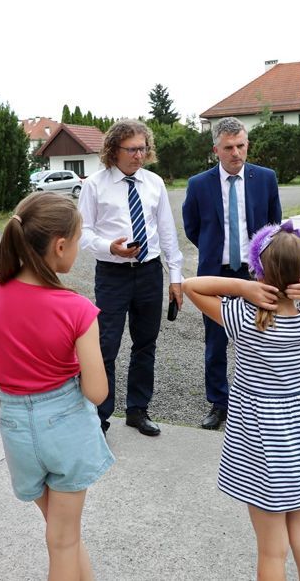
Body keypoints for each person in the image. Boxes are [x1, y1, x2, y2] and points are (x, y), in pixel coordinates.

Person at [182, 223, 300, 581]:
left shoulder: (243, 317)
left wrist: (243, 287)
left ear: (258, 271)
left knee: (271, 551)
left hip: (261, 448)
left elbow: (190, 286)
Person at [0, 192, 113, 580]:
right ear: (60, 246)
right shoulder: (77, 308)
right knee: (63, 540)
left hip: (16, 427)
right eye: (78, 240)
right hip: (65, 425)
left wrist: (17, 364)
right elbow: (97, 392)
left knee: (63, 534)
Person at [77, 120, 184, 436]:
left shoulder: (154, 183)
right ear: (114, 150)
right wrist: (109, 247)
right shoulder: (94, 185)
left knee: (145, 344)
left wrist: (176, 278)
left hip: (149, 272)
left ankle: (138, 410)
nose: (139, 155)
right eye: (132, 149)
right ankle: (100, 418)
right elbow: (83, 232)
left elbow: (167, 232)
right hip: (112, 274)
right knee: (106, 346)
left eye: (143, 148)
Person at [182, 117, 282, 430]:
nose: (236, 153)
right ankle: (219, 402)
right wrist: (215, 252)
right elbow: (192, 227)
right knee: (216, 342)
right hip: (216, 274)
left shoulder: (265, 178)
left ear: (247, 144)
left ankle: (260, 399)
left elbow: (274, 225)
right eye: (228, 148)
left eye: (240, 145)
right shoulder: (199, 184)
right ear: (216, 150)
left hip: (256, 273)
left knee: (262, 337)